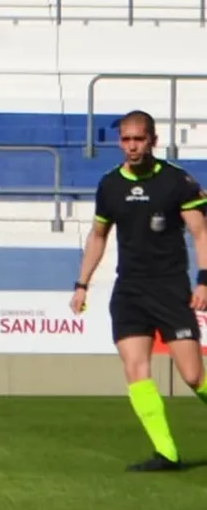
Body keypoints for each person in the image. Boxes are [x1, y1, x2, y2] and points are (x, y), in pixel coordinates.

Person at [70, 109, 207, 471]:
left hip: (170, 288)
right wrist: (82, 284)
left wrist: (205, 279)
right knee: (136, 369)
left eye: (139, 139)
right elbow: (98, 236)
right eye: (126, 139)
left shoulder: (178, 182)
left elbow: (201, 233)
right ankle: (166, 453)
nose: (132, 146)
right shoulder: (110, 185)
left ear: (153, 140)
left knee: (193, 375)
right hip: (129, 291)